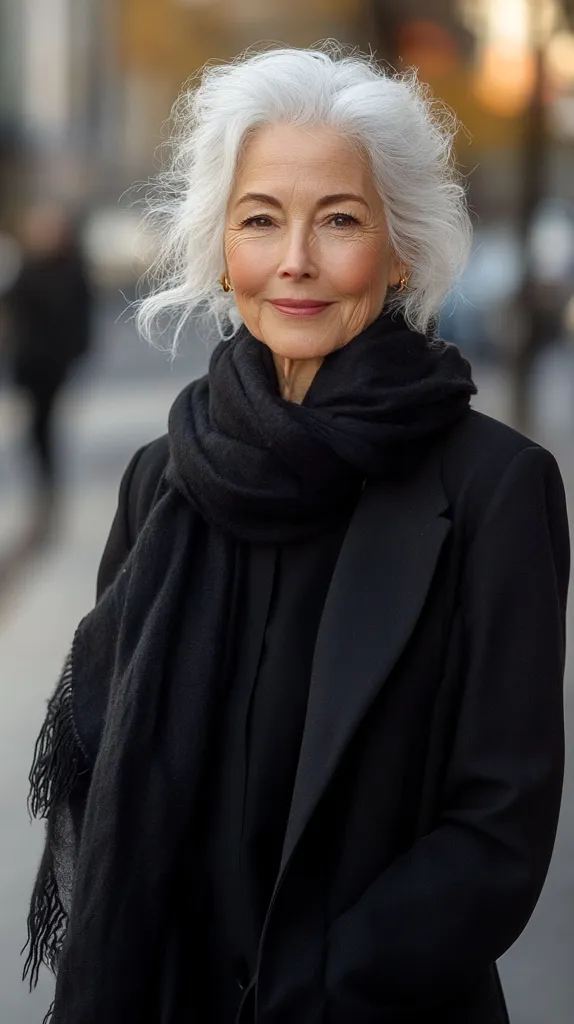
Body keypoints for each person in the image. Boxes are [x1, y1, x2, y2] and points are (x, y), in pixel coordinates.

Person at [24, 46, 569, 1024]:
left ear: (400, 249)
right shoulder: (161, 478)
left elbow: (497, 830)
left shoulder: (495, 490)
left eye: (341, 220)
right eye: (261, 219)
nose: (296, 261)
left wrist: (312, 989)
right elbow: (110, 770)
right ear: (220, 246)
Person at [2, 202, 93, 543]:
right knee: (34, 428)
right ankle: (44, 483)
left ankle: (48, 485)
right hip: (27, 363)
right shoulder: (27, 267)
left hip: (53, 363)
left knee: (44, 425)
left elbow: (80, 319)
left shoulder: (71, 269)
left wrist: (76, 354)